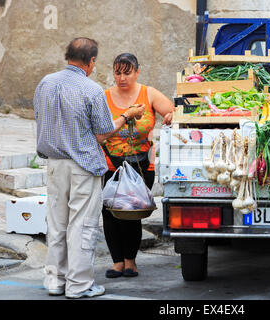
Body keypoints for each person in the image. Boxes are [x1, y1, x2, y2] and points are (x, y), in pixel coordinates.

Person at [34, 38, 145, 299]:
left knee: (57, 224)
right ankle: (79, 285)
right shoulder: (91, 89)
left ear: (67, 55)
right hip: (82, 165)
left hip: (54, 164)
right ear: (91, 61)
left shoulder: (45, 83)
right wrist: (127, 115)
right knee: (81, 226)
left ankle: (55, 281)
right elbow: (104, 133)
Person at [101, 53, 174, 278]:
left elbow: (172, 111)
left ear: (137, 72)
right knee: (111, 214)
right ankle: (117, 262)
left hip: (142, 167)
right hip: (112, 167)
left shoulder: (148, 93)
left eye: (127, 72)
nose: (122, 78)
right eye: (117, 73)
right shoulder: (103, 97)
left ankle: (130, 261)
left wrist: (170, 116)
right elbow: (99, 130)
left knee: (132, 213)